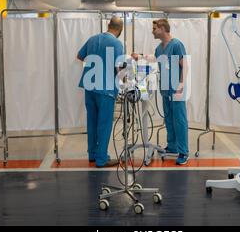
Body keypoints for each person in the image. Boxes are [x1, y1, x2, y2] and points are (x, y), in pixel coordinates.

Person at [132, 19, 189, 165]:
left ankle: (183, 151)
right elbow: (154, 58)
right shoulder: (159, 48)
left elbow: (185, 65)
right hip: (165, 90)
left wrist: (181, 85)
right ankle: (173, 147)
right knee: (169, 119)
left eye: (154, 28)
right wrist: (140, 56)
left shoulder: (176, 45)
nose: (152, 31)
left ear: (163, 28)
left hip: (176, 89)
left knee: (179, 120)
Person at [77, 17, 124, 167]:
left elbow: (79, 56)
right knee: (104, 124)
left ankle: (92, 153)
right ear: (120, 30)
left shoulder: (92, 39)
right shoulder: (116, 43)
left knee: (92, 121)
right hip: (106, 89)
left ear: (108, 25)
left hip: (90, 87)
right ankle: (102, 158)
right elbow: (120, 67)